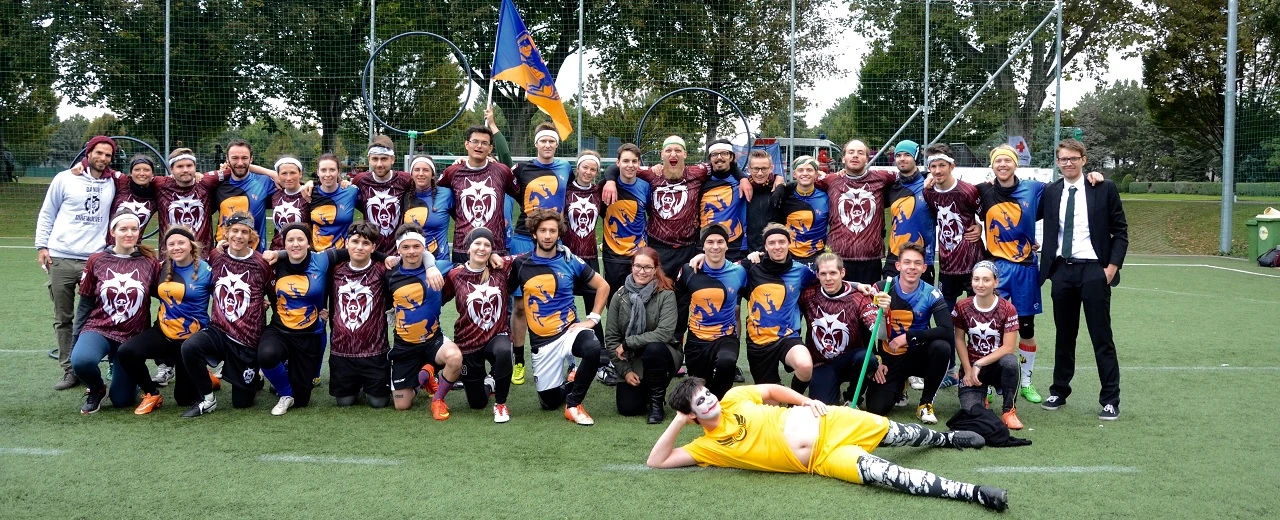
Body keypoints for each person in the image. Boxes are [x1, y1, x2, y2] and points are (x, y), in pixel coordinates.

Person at [648, 378, 1007, 512]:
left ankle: (946, 438)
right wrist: (680, 419)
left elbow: (772, 391)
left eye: (707, 394)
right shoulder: (706, 447)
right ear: (692, 415)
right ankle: (972, 493)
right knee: (891, 475)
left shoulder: (734, 397)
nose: (710, 401)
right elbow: (657, 461)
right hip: (824, 457)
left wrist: (805, 402)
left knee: (903, 433)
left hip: (831, 420)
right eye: (700, 403)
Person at [1038, 139, 1128, 420]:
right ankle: (1059, 390)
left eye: (1073, 158)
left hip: (1094, 271)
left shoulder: (1103, 187)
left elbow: (1121, 231)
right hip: (1062, 271)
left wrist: (1110, 268)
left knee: (1102, 337)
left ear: (1084, 159)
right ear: (1057, 162)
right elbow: (1020, 207)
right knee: (1064, 336)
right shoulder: (1051, 192)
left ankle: (1110, 399)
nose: (1068, 163)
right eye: (1063, 159)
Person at [260, 223, 387, 416]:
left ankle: (293, 374)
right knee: (267, 355)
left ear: (309, 243)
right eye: (290, 240)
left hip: (309, 334)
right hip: (281, 331)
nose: (296, 244)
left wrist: (389, 258)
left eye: (301, 239)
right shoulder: (274, 263)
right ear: (283, 244)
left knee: (302, 401)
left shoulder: (324, 259)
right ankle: (285, 392)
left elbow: (358, 251)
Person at [508, 208, 609, 425]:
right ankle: (572, 380)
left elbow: (603, 286)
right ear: (534, 233)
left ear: (559, 233)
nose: (547, 235)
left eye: (552, 231)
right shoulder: (520, 264)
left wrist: (593, 318)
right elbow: (508, 295)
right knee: (549, 401)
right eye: (542, 230)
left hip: (569, 330)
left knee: (592, 348)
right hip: (542, 343)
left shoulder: (570, 260)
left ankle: (574, 404)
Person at [602, 135, 751, 281]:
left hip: (687, 248)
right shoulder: (651, 174)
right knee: (656, 295)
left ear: (685, 154)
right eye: (668, 151)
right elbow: (618, 167)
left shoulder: (698, 172)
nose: (673, 154)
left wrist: (743, 177)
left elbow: (723, 164)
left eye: (678, 150)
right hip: (658, 246)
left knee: (685, 296)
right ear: (662, 154)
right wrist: (609, 181)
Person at [36, 135, 118, 390]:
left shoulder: (113, 182)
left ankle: (89, 363)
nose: (102, 158)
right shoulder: (65, 178)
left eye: (108, 155)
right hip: (60, 256)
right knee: (63, 317)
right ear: (89, 152)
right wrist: (42, 246)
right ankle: (69, 370)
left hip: (93, 260)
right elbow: (48, 212)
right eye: (99, 153)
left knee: (93, 317)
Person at [178, 212, 275, 417]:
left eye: (244, 232)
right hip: (219, 330)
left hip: (247, 340)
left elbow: (275, 296)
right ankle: (207, 398)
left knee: (242, 403)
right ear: (226, 233)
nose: (238, 236)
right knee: (190, 347)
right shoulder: (216, 256)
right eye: (234, 231)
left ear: (251, 236)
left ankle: (254, 377)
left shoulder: (261, 264)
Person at [69, 211, 161, 413]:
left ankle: (129, 377)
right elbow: (85, 303)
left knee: (121, 400)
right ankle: (96, 388)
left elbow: (165, 296)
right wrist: (76, 337)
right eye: (123, 229)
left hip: (132, 337)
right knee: (81, 361)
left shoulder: (150, 263)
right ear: (113, 232)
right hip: (99, 328)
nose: (129, 233)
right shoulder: (97, 260)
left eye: (134, 229)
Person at [116, 226, 212, 415]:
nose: (176, 247)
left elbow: (225, 295)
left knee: (184, 399)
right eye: (171, 244)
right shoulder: (161, 268)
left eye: (181, 243)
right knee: (127, 352)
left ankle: (201, 372)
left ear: (191, 245)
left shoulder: (207, 270)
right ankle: (151, 393)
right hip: (164, 333)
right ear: (166, 247)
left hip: (190, 342)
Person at [862, 243, 953, 424]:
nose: (912, 267)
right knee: (876, 408)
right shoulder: (880, 288)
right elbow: (865, 328)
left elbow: (946, 330)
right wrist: (875, 359)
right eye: (907, 262)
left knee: (941, 347)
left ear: (924, 267)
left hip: (917, 353)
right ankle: (900, 384)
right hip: (889, 355)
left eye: (917, 263)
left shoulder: (931, 293)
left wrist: (909, 336)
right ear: (898, 266)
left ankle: (925, 403)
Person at [442, 228, 516, 423]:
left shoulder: (501, 268)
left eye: (487, 245)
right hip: (468, 342)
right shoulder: (454, 275)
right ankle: (490, 382)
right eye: (477, 243)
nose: (482, 248)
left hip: (496, 334)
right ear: (468, 248)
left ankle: (500, 404)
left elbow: (530, 256)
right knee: (476, 403)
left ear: (492, 250)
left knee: (503, 351)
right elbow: (437, 300)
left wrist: (559, 248)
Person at [385, 224, 454, 419]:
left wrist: (431, 266)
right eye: (406, 247)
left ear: (424, 248)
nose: (411, 251)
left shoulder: (439, 266)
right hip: (404, 345)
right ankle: (423, 378)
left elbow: (471, 262)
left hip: (433, 339)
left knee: (455, 358)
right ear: (398, 249)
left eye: (416, 246)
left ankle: (437, 398)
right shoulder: (390, 273)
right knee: (401, 404)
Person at [799, 253, 886, 406]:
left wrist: (883, 314)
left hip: (850, 360)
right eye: (823, 274)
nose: (828, 278)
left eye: (833, 273)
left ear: (842, 273)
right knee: (824, 408)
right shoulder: (808, 294)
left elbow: (880, 334)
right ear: (817, 275)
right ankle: (831, 389)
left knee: (868, 359)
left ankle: (852, 397)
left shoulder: (859, 297)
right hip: (821, 364)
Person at [605, 247, 679, 423]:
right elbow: (611, 339)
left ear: (655, 269)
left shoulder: (666, 294)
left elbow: (664, 333)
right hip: (631, 359)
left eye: (647, 267)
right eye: (638, 266)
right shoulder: (619, 295)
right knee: (628, 408)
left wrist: (629, 342)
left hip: (663, 353)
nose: (642, 271)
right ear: (632, 267)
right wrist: (625, 371)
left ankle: (656, 403)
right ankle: (645, 387)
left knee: (654, 349)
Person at [741, 224, 817, 391]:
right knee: (771, 403)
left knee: (805, 366)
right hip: (758, 341)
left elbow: (829, 281)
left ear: (789, 243)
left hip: (787, 337)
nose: (777, 246)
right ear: (765, 246)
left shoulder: (801, 271)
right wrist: (701, 258)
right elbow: (724, 269)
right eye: (772, 242)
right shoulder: (751, 266)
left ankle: (793, 404)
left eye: (782, 241)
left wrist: (857, 285)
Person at [675, 225, 747, 398]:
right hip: (697, 339)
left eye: (720, 242)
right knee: (698, 388)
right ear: (703, 246)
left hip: (725, 337)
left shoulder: (739, 271)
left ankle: (721, 402)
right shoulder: (688, 270)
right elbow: (678, 302)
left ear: (727, 245)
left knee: (726, 362)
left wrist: (756, 255)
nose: (715, 246)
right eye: (710, 242)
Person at [328, 221, 392, 408]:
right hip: (342, 351)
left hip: (375, 352)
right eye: (355, 241)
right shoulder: (333, 270)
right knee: (344, 402)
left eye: (365, 243)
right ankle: (355, 385)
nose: (359, 247)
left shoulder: (382, 271)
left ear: (373, 247)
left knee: (378, 403)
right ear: (346, 243)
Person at [953, 261, 1024, 429]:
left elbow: (1008, 347)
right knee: (971, 413)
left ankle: (1009, 410)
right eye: (976, 279)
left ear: (996, 282)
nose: (980, 284)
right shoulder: (962, 306)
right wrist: (968, 370)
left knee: (1011, 362)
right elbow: (959, 340)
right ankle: (981, 395)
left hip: (996, 366)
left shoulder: (1007, 308)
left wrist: (979, 363)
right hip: (972, 369)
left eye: (986, 280)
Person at [815, 139, 897, 284]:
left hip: (870, 259)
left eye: (860, 153)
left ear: (867, 158)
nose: (855, 156)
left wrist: (929, 178)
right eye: (851, 152)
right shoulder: (831, 180)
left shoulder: (882, 178)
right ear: (843, 158)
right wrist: (779, 182)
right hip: (837, 258)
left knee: (868, 303)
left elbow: (910, 174)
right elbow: (803, 176)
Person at [921, 143, 983, 309]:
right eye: (933, 166)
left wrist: (979, 226)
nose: (938, 170)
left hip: (973, 262)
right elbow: (937, 218)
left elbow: (985, 216)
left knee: (977, 311)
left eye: (942, 165)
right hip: (947, 263)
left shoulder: (967, 191)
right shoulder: (928, 192)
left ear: (952, 166)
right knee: (945, 313)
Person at [563, 151, 607, 346]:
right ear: (577, 168)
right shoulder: (564, 190)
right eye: (585, 167)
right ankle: (563, 354)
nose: (588, 172)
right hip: (565, 258)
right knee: (563, 309)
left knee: (593, 309)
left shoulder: (599, 191)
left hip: (589, 259)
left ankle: (601, 357)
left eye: (593, 169)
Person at [600, 144, 650, 316]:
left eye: (634, 161)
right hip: (613, 256)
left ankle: (636, 341)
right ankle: (615, 341)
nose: (630, 165)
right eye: (626, 161)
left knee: (639, 303)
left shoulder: (645, 187)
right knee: (615, 302)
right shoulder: (605, 186)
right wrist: (609, 180)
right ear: (618, 163)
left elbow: (652, 215)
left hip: (638, 254)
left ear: (639, 164)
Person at [154, 148, 225, 256]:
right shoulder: (161, 185)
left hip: (203, 259)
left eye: (189, 165)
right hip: (170, 260)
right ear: (171, 169)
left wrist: (225, 167)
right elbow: (136, 178)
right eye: (180, 166)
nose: (185, 170)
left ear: (195, 167)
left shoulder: (205, 182)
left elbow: (237, 167)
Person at [884, 140, 936, 285]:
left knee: (921, 307)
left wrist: (975, 224)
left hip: (922, 258)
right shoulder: (891, 187)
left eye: (907, 155)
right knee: (886, 304)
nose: (902, 158)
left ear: (916, 157)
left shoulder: (930, 183)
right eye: (898, 155)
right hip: (894, 257)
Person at [214, 139, 276, 250]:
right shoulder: (216, 184)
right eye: (235, 158)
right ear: (227, 160)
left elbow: (292, 184)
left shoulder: (264, 182)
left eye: (244, 158)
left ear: (251, 159)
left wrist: (309, 183)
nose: (240, 163)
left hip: (255, 256)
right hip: (222, 254)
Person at [770, 156, 830, 268]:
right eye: (800, 170)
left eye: (809, 170)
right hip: (789, 256)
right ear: (794, 174)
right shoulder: (784, 196)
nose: (805, 173)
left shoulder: (826, 196)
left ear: (816, 175)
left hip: (818, 256)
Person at [698, 139, 749, 262]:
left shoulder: (744, 182)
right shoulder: (700, 182)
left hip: (735, 248)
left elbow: (766, 179)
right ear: (710, 158)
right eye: (715, 154)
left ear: (731, 157)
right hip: (706, 246)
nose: (719, 158)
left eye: (724, 153)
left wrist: (778, 178)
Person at [402, 155, 454, 272]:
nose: (421, 173)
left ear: (433, 174)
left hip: (440, 263)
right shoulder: (404, 196)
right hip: (412, 263)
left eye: (426, 170)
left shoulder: (446, 194)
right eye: (417, 170)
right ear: (411, 174)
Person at [308, 153, 360, 251]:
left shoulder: (351, 192)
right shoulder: (309, 192)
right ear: (318, 172)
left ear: (338, 172)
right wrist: (308, 183)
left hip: (343, 253)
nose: (328, 174)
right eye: (323, 170)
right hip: (316, 253)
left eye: (332, 170)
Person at [105, 155, 158, 248]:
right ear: (131, 173)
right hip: (109, 249)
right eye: (137, 170)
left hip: (133, 250)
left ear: (152, 174)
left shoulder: (157, 191)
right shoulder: (122, 182)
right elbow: (100, 168)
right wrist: (83, 164)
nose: (142, 173)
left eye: (146, 170)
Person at [268, 156, 309, 250]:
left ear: (300, 174)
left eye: (293, 173)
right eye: (284, 173)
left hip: (300, 251)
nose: (288, 177)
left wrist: (342, 182)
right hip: (276, 251)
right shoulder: (275, 195)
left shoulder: (308, 194)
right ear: (277, 175)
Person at [744, 150, 780, 254]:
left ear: (771, 168)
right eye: (756, 169)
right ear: (749, 169)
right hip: (746, 252)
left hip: (775, 251)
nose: (760, 173)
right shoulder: (741, 189)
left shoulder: (779, 189)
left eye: (764, 169)